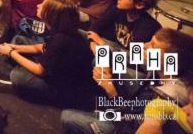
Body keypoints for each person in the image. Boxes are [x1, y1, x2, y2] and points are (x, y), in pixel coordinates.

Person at [0, 0, 102, 110]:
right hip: (58, 69)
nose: (38, 5)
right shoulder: (63, 30)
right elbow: (43, 47)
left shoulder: (61, 39)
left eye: (43, 5)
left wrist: (11, 52)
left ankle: (13, 82)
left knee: (18, 76)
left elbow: (40, 70)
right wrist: (15, 47)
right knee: (19, 40)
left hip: (65, 89)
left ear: (51, 14)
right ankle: (10, 74)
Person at [61, 28, 193, 134]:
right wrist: (103, 50)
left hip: (126, 126)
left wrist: (110, 90)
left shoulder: (168, 95)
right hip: (132, 107)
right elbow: (128, 56)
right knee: (101, 55)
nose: (144, 46)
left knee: (68, 117)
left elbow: (129, 124)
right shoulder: (164, 68)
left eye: (153, 46)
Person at [87, 0, 161, 51]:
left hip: (126, 56)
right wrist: (92, 43)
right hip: (113, 47)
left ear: (139, 5)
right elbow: (94, 28)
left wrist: (101, 43)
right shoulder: (117, 10)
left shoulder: (148, 26)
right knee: (81, 35)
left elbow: (134, 56)